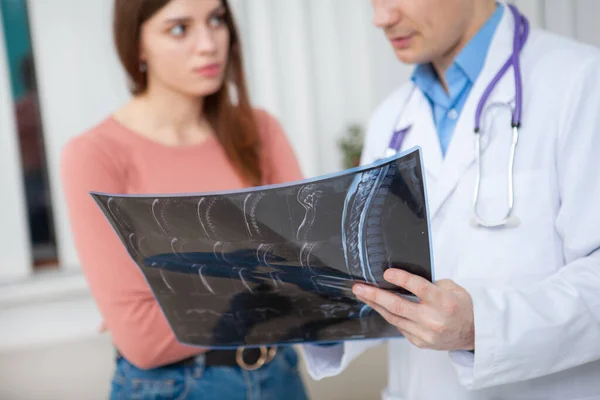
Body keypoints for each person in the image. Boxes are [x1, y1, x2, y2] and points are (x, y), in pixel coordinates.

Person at [302, 0, 600, 399]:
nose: (381, 18)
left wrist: (483, 328)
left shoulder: (581, 83)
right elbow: (386, 292)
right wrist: (309, 317)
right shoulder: (390, 121)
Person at [60, 0, 309, 399]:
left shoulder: (259, 130)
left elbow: (318, 279)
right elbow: (142, 339)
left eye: (216, 20)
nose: (209, 44)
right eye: (179, 28)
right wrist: (272, 280)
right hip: (174, 386)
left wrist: (182, 298)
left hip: (278, 375)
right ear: (137, 45)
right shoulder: (95, 155)